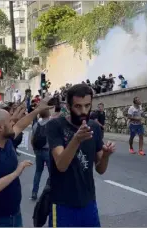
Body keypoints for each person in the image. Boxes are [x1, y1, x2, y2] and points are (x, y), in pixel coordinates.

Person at [46, 83, 115, 227]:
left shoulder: (94, 127)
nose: (83, 111)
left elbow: (100, 169)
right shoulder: (55, 126)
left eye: (87, 105)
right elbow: (61, 165)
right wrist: (76, 139)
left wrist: (106, 155)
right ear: (68, 106)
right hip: (62, 204)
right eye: (78, 106)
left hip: (88, 203)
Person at [0, 98, 52, 227]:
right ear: (0, 127)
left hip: (15, 214)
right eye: (10, 121)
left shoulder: (8, 141)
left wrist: (37, 110)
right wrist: (16, 173)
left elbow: (21, 125)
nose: (13, 121)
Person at [30, 109, 51, 200]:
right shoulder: (51, 124)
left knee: (38, 171)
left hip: (38, 151)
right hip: (48, 151)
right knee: (52, 172)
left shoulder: (36, 125)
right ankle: (52, 191)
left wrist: (35, 150)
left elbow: (32, 139)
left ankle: (34, 192)